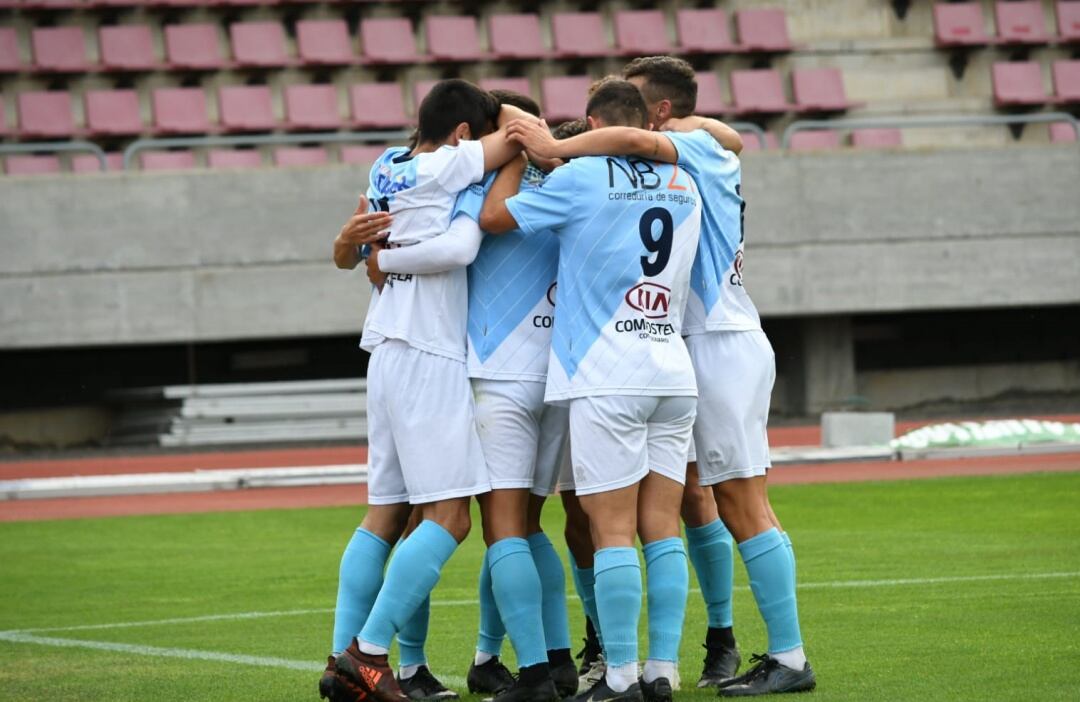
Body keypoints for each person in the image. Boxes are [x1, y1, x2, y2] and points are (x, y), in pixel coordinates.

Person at [512, 57, 816, 697]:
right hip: (690, 344)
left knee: (734, 501)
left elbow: (637, 139)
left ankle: (786, 656)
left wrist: (550, 145)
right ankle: (712, 648)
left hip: (714, 339)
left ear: (660, 114)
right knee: (690, 501)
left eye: (647, 108)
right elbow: (720, 135)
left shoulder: (685, 149)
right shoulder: (700, 149)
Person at [482, 80, 703, 702]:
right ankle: (663, 672)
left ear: (591, 124)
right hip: (672, 368)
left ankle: (621, 676)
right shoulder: (685, 182)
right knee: (661, 530)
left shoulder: (580, 179)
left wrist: (530, 155)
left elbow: (494, 218)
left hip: (608, 372)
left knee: (610, 533)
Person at [323, 78, 535, 702]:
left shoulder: (386, 163)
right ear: (466, 133)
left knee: (387, 513)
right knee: (449, 517)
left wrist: (369, 256)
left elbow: (354, 251)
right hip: (429, 352)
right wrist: (507, 133)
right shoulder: (451, 162)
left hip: (384, 346)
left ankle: (342, 659)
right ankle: (365, 657)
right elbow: (467, 238)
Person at [366, 89, 575, 702]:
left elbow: (466, 238)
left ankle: (530, 673)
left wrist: (381, 256)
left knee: (493, 528)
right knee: (539, 528)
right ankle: (546, 661)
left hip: (492, 368)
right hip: (561, 370)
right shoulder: (573, 180)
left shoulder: (473, 188)